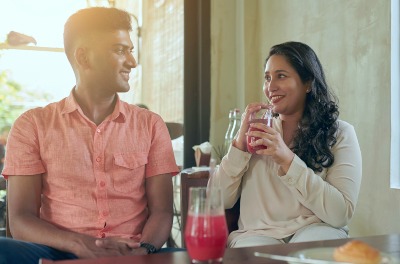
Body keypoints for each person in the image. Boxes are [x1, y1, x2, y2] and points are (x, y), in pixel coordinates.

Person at [0, 7, 179, 263]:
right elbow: (20, 219)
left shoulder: (150, 125)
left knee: (206, 257)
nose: (132, 61)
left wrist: (143, 251)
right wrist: (81, 245)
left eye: (130, 50)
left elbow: (161, 212)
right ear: (83, 58)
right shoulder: (32, 125)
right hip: (59, 252)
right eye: (120, 50)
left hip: (134, 252)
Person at [213, 41, 362, 248]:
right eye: (267, 78)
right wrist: (239, 145)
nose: (270, 87)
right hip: (256, 235)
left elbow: (340, 214)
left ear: (308, 82)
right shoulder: (253, 133)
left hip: (316, 230)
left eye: (281, 76)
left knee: (308, 251)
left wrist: (287, 159)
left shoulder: (340, 133)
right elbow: (217, 200)